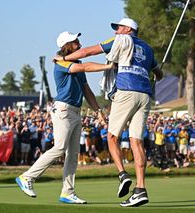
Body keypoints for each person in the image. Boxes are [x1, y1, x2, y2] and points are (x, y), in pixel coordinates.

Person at [55, 18, 163, 207]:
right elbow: (159, 73)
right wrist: (157, 74)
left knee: (112, 137)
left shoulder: (120, 41)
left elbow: (87, 52)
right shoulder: (148, 48)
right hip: (145, 95)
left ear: (128, 29)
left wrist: (63, 59)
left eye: (119, 28)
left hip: (126, 91)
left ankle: (122, 175)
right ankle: (140, 189)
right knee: (136, 141)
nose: (116, 31)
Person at [15, 31, 113, 204]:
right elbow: (83, 68)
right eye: (76, 42)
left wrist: (98, 111)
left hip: (75, 111)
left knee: (73, 154)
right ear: (67, 46)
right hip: (63, 110)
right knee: (60, 148)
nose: (80, 45)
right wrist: (107, 66)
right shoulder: (60, 62)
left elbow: (87, 90)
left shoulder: (75, 62)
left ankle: (67, 192)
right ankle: (27, 177)